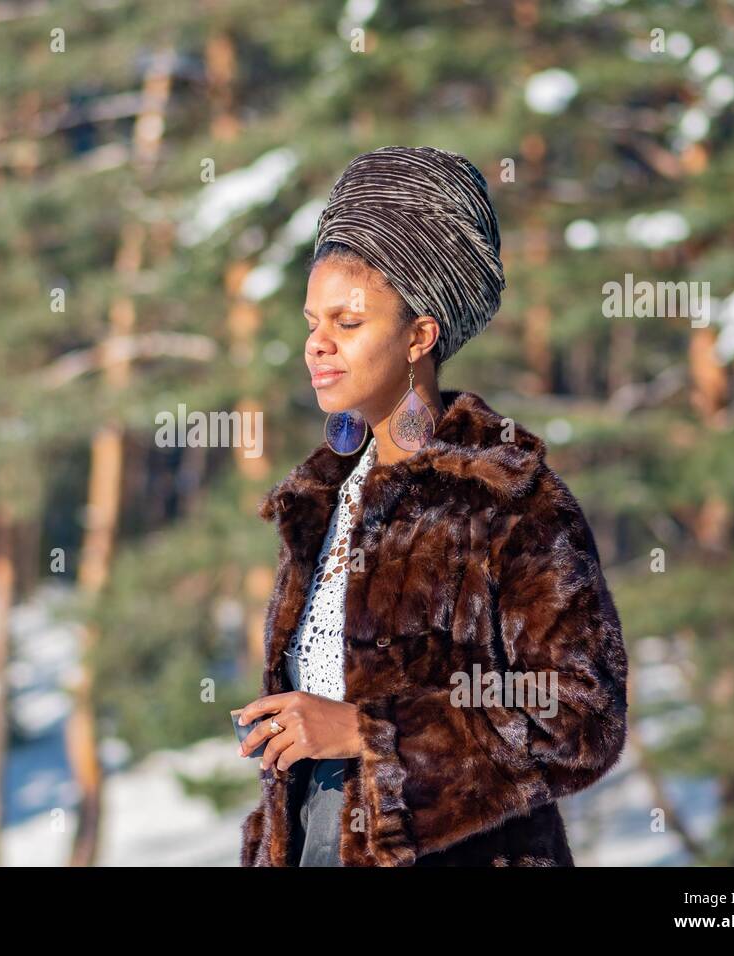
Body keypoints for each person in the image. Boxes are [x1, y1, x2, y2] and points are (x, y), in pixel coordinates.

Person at [236, 146, 628, 866]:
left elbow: (582, 716)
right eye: (311, 321)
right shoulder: (318, 503)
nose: (316, 345)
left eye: (347, 323)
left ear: (420, 335)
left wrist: (369, 732)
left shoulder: (510, 502)